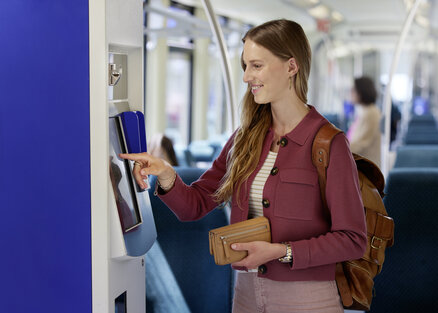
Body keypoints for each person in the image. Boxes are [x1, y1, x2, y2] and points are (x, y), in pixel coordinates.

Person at [121, 19, 366, 313]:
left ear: (291, 67)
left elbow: (353, 240)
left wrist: (282, 252)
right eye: (244, 66)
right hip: (246, 295)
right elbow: (194, 206)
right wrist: (166, 173)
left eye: (257, 66)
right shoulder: (245, 138)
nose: (247, 76)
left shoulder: (328, 144)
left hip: (307, 299)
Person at [347, 76, 382, 166]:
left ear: (361, 92)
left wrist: (336, 149)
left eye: (353, 90)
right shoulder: (364, 112)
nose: (351, 93)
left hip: (366, 169)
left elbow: (360, 144)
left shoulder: (371, 114)